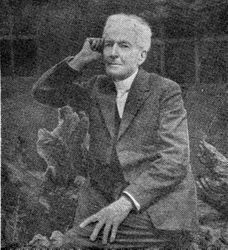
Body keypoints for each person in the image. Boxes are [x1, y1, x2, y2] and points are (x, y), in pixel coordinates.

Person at [32, 13, 198, 249]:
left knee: (74, 244)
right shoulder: (97, 88)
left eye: (124, 45)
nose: (112, 53)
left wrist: (125, 203)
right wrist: (80, 59)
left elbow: (175, 160)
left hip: (157, 209)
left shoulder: (164, 91)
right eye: (108, 44)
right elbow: (43, 92)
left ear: (141, 55)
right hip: (107, 200)